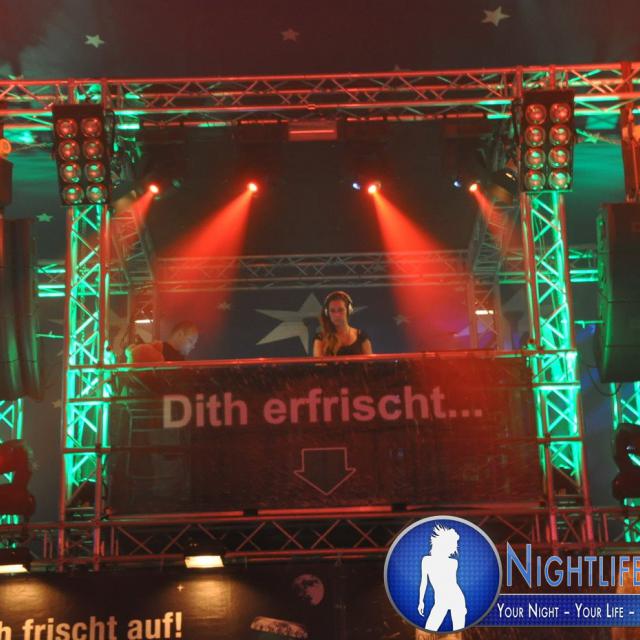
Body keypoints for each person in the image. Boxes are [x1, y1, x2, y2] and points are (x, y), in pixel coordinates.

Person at [417, 525, 467, 632]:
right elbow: (423, 582)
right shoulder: (426, 560)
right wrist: (421, 601)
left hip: (456, 599)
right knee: (428, 631)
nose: (454, 549)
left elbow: (452, 584)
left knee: (457, 633)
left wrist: (462, 608)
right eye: (453, 544)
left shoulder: (453, 563)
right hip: (440, 601)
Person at [312, 291, 372, 357]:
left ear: (348, 311)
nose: (337, 315)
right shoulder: (320, 338)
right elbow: (319, 363)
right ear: (327, 313)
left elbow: (369, 362)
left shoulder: (361, 336)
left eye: (340, 310)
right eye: (332, 311)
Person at [125, 321, 199, 363]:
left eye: (194, 343)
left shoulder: (179, 358)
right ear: (180, 334)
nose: (193, 347)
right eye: (190, 341)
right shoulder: (160, 351)